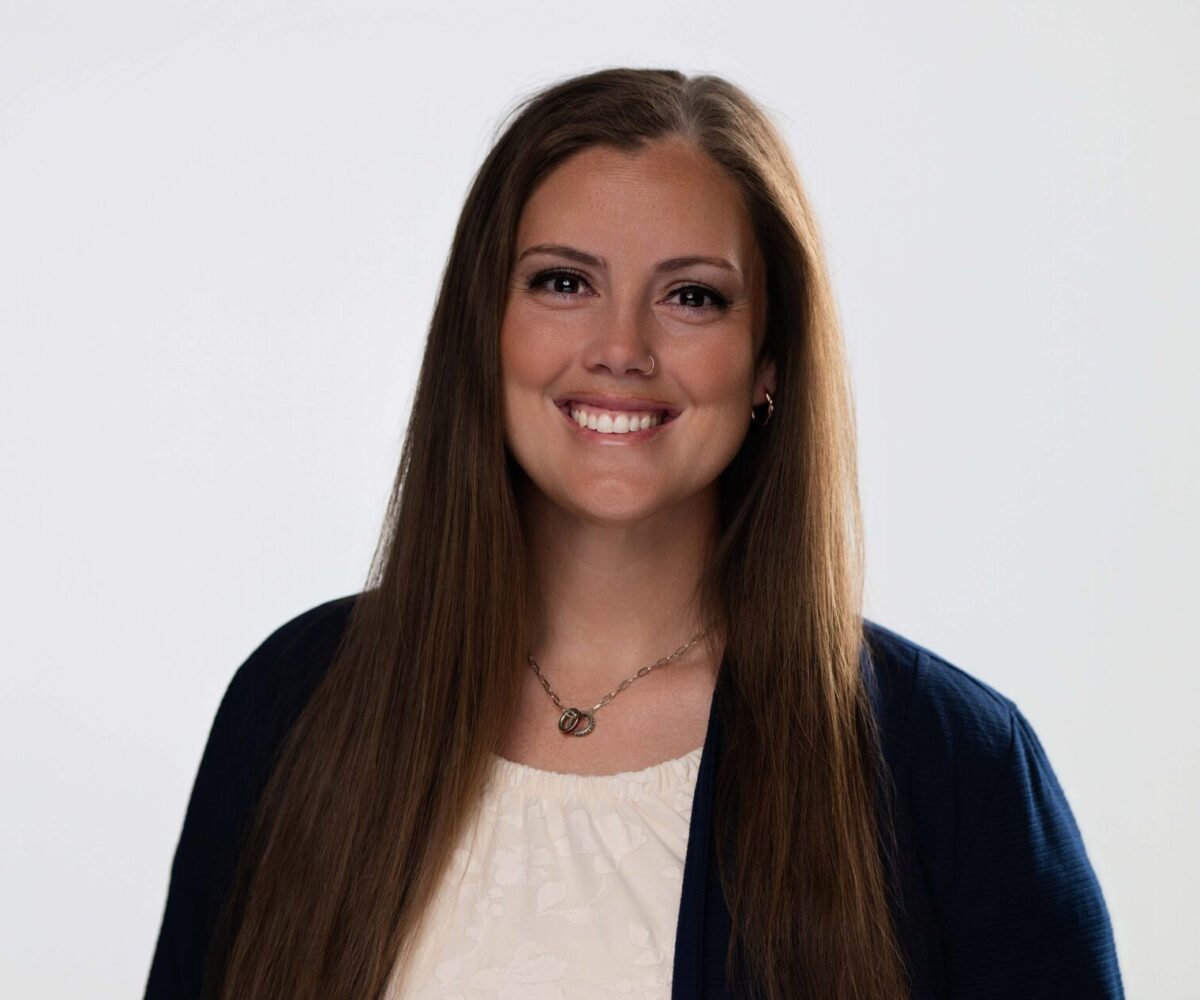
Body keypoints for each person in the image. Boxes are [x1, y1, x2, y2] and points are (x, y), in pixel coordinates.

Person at [144, 68, 1124, 1000]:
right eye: (564, 283)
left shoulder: (952, 766)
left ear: (769, 360)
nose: (620, 349)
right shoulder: (297, 703)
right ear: (484, 328)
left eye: (692, 295)